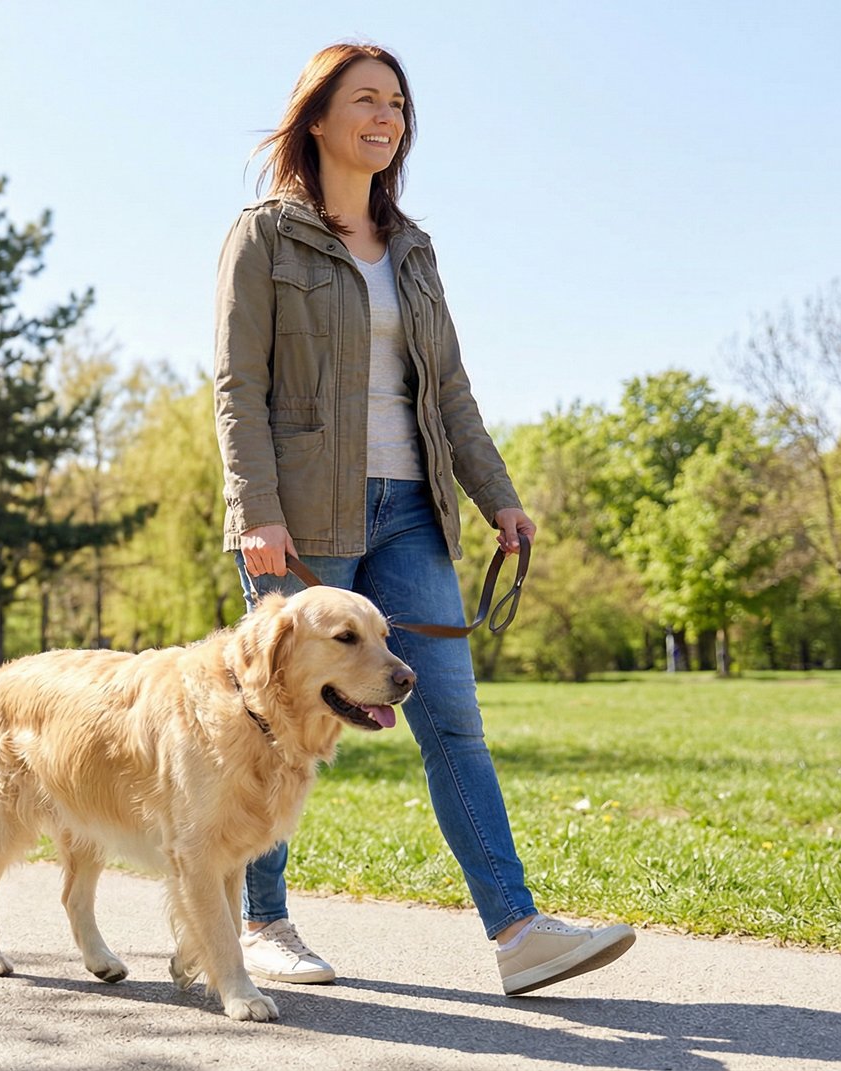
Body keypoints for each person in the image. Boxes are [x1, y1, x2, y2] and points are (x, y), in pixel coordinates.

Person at [212, 42, 635, 996]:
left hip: (411, 508)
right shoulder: (264, 237)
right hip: (300, 514)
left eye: (397, 105)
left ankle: (518, 931)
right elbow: (238, 386)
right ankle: (262, 919)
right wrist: (257, 513)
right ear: (316, 118)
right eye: (365, 100)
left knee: (451, 717)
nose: (386, 118)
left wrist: (499, 494)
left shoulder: (413, 249)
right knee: (274, 718)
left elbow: (449, 392)